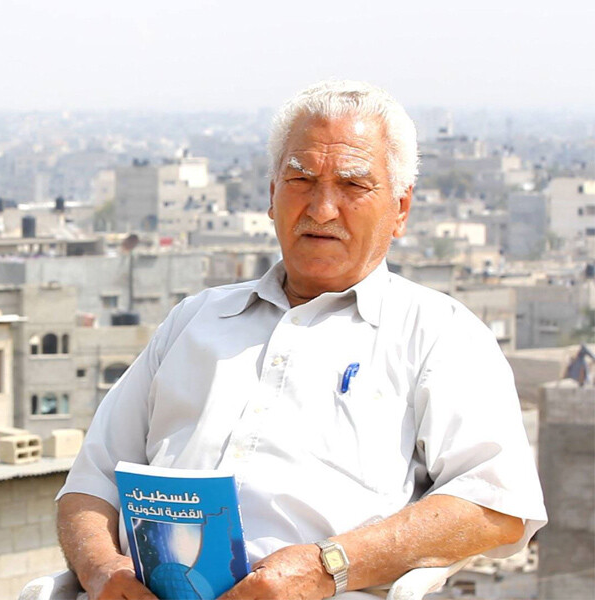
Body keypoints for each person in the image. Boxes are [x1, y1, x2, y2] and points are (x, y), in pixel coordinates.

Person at [56, 80, 547, 600]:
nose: (322, 208)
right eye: (301, 179)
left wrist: (327, 565)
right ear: (271, 196)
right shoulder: (194, 321)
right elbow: (92, 482)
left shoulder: (437, 334)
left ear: (401, 208)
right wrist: (102, 570)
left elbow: (497, 507)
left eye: (354, 185)